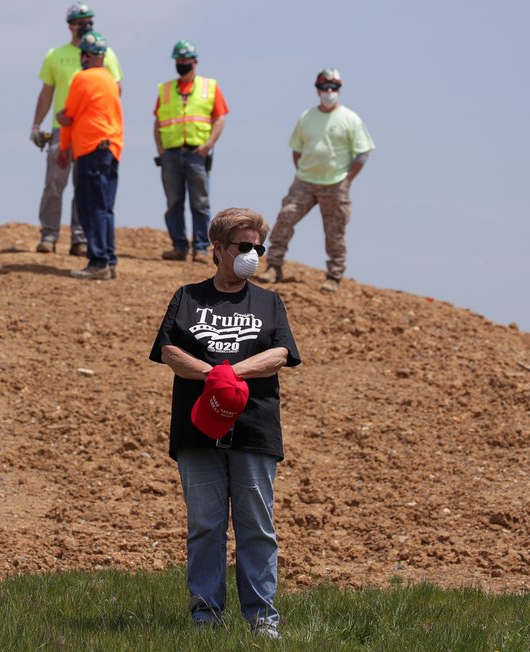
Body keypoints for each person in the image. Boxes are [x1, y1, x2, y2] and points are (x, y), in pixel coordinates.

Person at [149, 207, 301, 639]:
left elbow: (279, 355)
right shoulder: (187, 297)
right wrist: (212, 376)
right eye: (244, 246)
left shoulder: (269, 302)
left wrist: (231, 375)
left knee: (257, 525)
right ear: (217, 250)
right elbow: (169, 352)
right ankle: (205, 618)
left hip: (254, 429)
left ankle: (263, 620)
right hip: (197, 429)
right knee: (205, 525)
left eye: (259, 247)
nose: (253, 254)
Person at [258, 68, 375, 292]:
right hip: (305, 181)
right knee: (286, 217)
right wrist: (303, 171)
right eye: (325, 87)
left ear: (339, 90)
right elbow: (296, 148)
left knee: (334, 230)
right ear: (317, 89)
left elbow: (363, 153)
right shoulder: (307, 117)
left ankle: (334, 276)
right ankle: (273, 266)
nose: (329, 91)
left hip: (335, 183)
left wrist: (347, 179)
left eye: (334, 87)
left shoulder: (350, 119)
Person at [30, 3, 122, 256]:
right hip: (62, 129)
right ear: (70, 24)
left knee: (84, 186)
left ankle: (80, 239)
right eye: (81, 21)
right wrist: (36, 124)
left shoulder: (106, 53)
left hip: (89, 134)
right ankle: (49, 235)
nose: (86, 25)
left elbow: (115, 91)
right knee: (54, 183)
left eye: (89, 21)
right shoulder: (55, 55)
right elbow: (47, 92)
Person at [56, 31, 123, 281]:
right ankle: (109, 258)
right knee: (105, 207)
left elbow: (67, 116)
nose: (82, 58)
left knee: (89, 205)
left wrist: (64, 147)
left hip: (91, 148)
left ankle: (98, 262)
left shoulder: (82, 79)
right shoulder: (110, 81)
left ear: (88, 55)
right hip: (111, 147)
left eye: (83, 54)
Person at [154, 40, 229, 265]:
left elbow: (220, 118)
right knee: (173, 202)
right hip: (171, 154)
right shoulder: (165, 89)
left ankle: (200, 249)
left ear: (195, 61)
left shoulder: (209, 87)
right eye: (178, 61)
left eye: (185, 61)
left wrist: (208, 146)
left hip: (197, 153)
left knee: (200, 203)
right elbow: (157, 121)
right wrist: (161, 149)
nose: (182, 64)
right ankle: (179, 246)